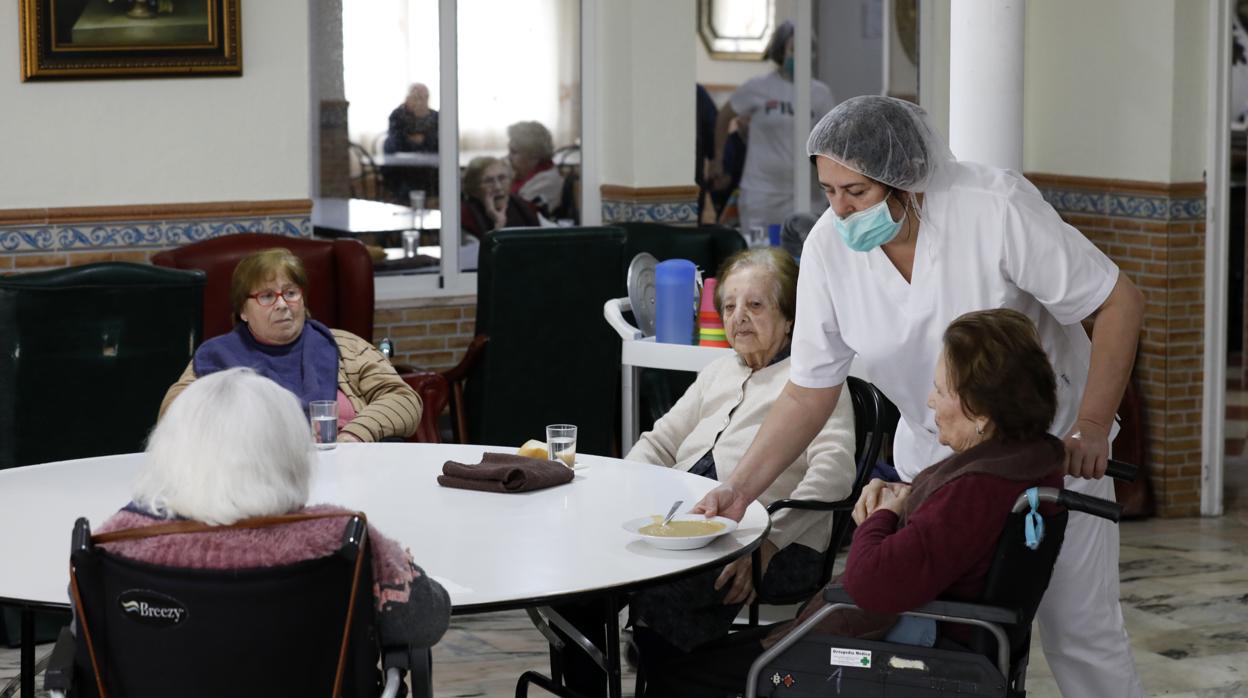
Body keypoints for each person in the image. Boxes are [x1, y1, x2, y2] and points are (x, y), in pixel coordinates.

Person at [696, 95, 1145, 697]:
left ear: (905, 178)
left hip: (1050, 458)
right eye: (827, 190)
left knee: (1081, 635)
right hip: (937, 467)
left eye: (855, 191)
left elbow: (1118, 302)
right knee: (933, 648)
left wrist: (1091, 424)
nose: (840, 208)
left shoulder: (993, 210)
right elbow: (809, 389)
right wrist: (740, 489)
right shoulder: (832, 246)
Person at [649, 309, 1067, 695]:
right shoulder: (1029, 460)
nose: (930, 402)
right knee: (708, 655)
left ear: (981, 412)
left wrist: (880, 517)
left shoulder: (977, 487)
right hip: (932, 633)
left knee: (683, 676)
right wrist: (900, 498)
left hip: (903, 650)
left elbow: (869, 585)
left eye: (941, 390)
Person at [555, 248, 857, 696]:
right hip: (683, 527)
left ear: (791, 319)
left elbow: (833, 475)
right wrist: (614, 496)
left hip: (772, 544)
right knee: (577, 580)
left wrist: (771, 541)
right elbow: (658, 443)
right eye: (730, 306)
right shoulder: (718, 371)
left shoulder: (814, 383)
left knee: (662, 596)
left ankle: (671, 684)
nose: (739, 318)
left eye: (755, 305)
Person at [95, 368, 450, 674]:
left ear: (171, 449)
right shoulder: (344, 537)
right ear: (289, 452)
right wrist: (400, 563)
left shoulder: (118, 539)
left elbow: (88, 627)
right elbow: (427, 621)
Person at [160, 248, 422, 443]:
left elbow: (404, 399)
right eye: (266, 296)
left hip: (352, 468)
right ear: (243, 310)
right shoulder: (216, 356)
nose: (283, 304)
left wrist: (357, 432)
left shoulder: (343, 346)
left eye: (291, 293)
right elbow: (174, 415)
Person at [709, 21, 835, 233]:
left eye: (806, 50)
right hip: (761, 193)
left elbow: (831, 142)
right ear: (780, 52)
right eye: (793, 49)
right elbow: (724, 116)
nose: (800, 55)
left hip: (807, 194)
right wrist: (718, 159)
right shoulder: (758, 87)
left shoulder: (821, 94)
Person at [460, 155, 540, 241]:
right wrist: (499, 224)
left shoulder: (527, 207)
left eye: (502, 178)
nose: (498, 187)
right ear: (474, 189)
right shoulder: (463, 217)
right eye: (488, 181)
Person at [507, 120, 564, 217]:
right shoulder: (521, 174)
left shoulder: (547, 181)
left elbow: (516, 216)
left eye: (514, 152)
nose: (508, 157)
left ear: (533, 155)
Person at [384, 83, 438, 154]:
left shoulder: (435, 116)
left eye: (425, 97)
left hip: (429, 161)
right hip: (401, 160)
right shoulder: (397, 114)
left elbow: (438, 143)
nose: (421, 102)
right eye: (418, 97)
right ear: (408, 98)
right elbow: (395, 142)